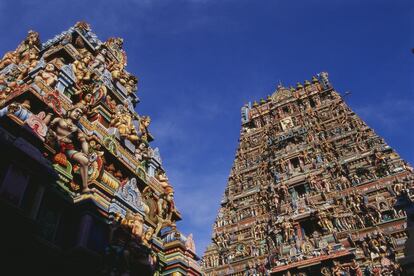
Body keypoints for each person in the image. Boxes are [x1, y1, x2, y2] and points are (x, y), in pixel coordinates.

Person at [48, 106, 90, 193]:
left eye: (80, 114)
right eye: (76, 111)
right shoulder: (59, 120)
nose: (78, 114)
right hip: (54, 142)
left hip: (68, 148)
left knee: (84, 160)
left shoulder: (77, 129)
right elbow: (48, 126)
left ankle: (85, 187)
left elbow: (84, 142)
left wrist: (85, 153)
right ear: (70, 112)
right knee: (53, 136)